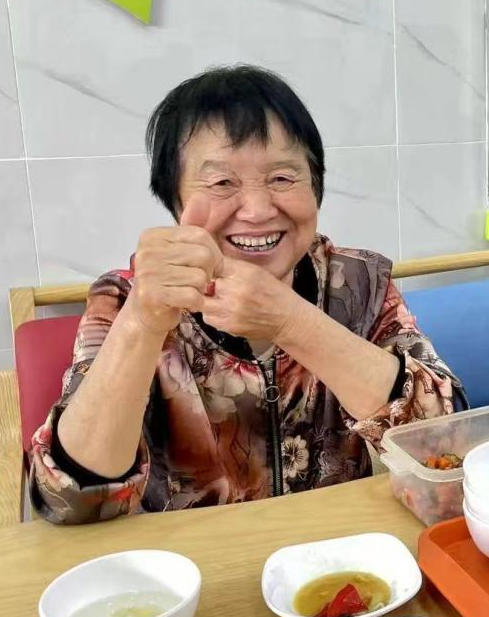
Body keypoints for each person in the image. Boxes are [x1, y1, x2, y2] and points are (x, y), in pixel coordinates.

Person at [29, 66, 465, 523]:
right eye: (222, 183)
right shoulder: (127, 298)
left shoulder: (359, 282)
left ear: (315, 186)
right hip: (193, 560)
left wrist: (291, 322)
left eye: (282, 178)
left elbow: (444, 446)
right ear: (175, 200)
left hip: (339, 550)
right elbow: (71, 502)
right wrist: (142, 323)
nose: (257, 210)